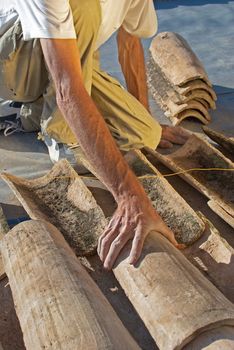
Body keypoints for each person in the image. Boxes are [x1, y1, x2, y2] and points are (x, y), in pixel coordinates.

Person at [0, 0, 187, 269]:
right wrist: (129, 197)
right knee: (83, 9)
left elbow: (129, 43)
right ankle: (59, 132)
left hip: (63, 55)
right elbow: (67, 87)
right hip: (11, 65)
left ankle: (34, 110)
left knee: (144, 135)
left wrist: (144, 116)